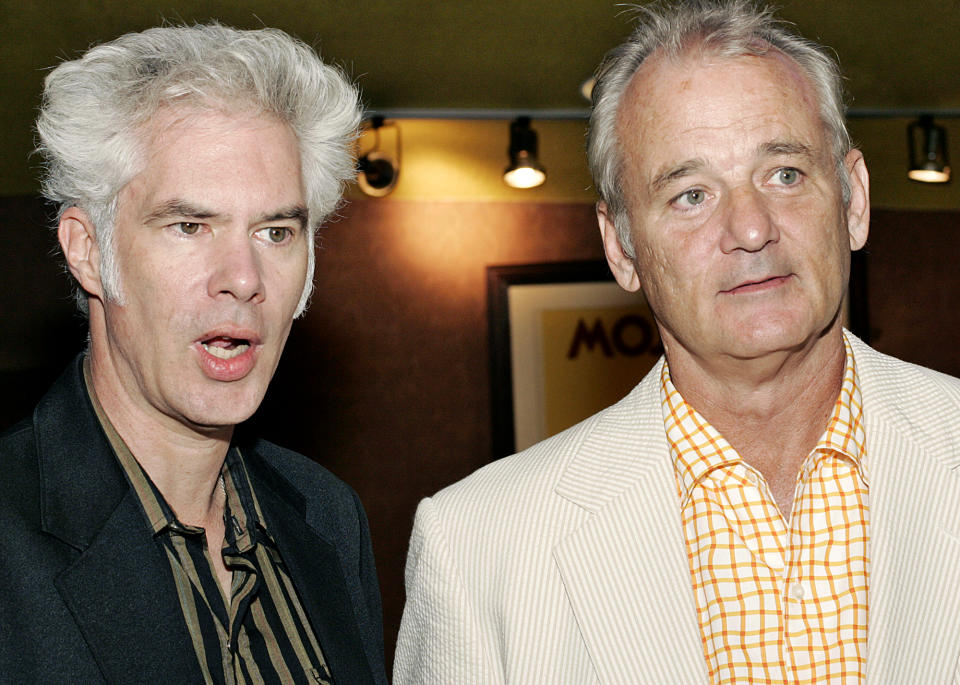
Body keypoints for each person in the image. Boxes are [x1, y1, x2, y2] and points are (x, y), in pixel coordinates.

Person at [394, 1, 960, 682]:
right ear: (622, 247)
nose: (751, 227)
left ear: (854, 200)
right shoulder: (478, 549)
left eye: (784, 173)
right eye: (691, 194)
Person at [0, 24, 387, 684]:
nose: (243, 275)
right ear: (88, 250)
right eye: (190, 225)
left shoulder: (328, 518)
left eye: (275, 230)